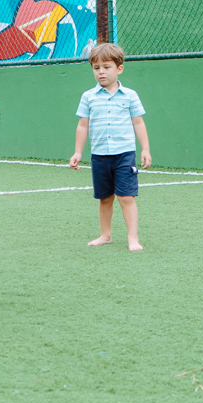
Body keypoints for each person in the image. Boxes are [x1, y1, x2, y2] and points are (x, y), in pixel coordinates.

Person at [69, 42, 151, 251]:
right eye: (96, 68)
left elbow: (138, 123)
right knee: (105, 198)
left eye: (106, 67)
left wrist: (145, 149)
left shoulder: (130, 95)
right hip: (99, 156)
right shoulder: (88, 97)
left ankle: (133, 238)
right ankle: (106, 235)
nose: (101, 72)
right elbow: (82, 125)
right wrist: (78, 151)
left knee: (126, 197)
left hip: (124, 155)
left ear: (119, 68)